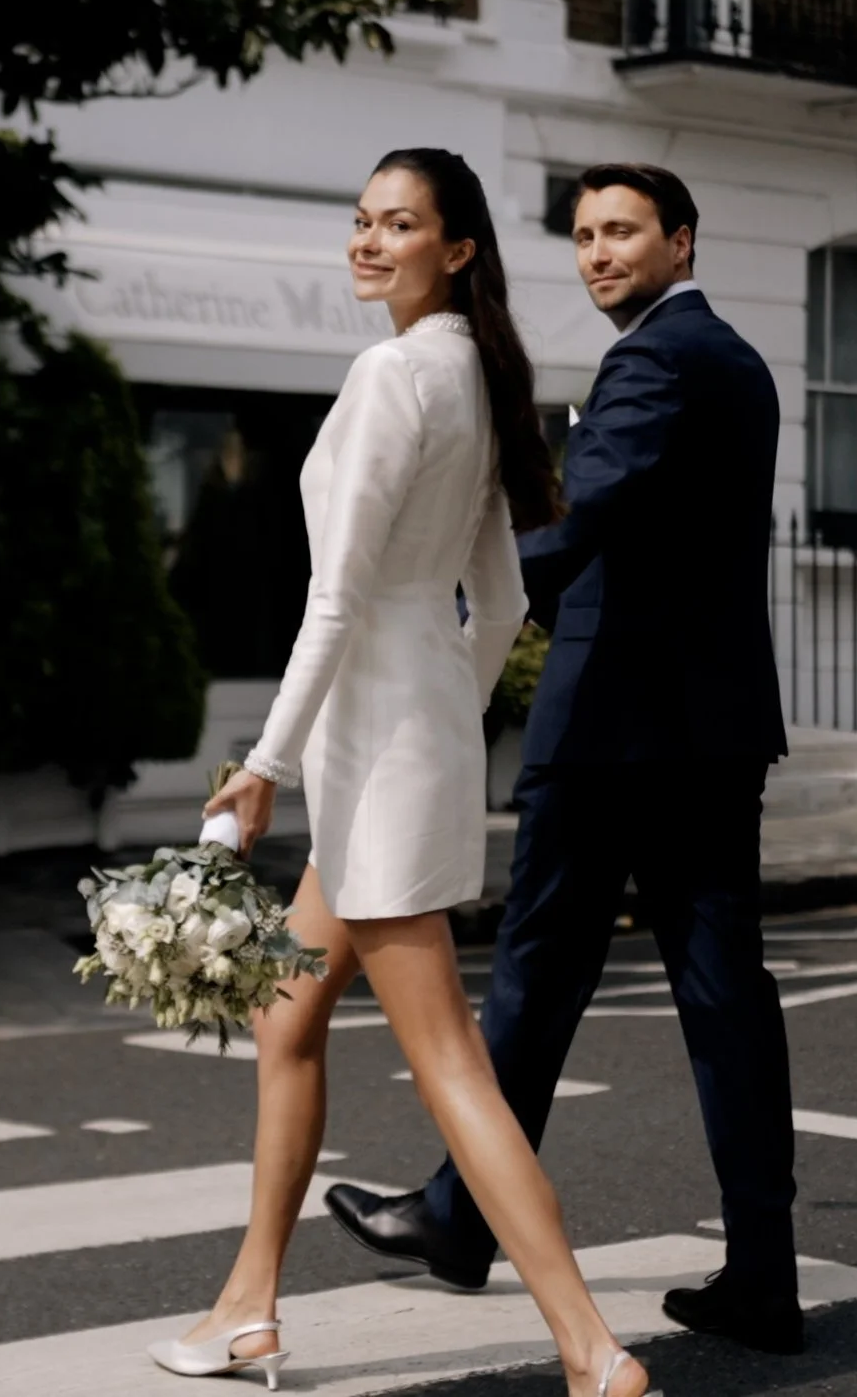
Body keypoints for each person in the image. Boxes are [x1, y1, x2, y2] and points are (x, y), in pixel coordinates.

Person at [147, 147, 660, 1397]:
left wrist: (263, 765)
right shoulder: (474, 379)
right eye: (362, 220)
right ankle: (248, 1305)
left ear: (458, 247)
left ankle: (592, 1348)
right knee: (285, 1015)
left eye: (401, 224)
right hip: (402, 743)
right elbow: (499, 602)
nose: (370, 242)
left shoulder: (393, 373)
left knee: (448, 1063)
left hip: (373, 755)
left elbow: (336, 600)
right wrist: (438, 716)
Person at [322, 163, 804, 1355]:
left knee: (536, 977)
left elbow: (570, 520)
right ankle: (762, 1268)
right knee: (722, 994)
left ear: (681, 242)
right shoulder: (733, 362)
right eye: (585, 235)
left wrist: (435, 600)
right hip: (710, 726)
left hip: (614, 733)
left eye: (623, 232)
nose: (598, 253)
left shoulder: (658, 359)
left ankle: (458, 1214)